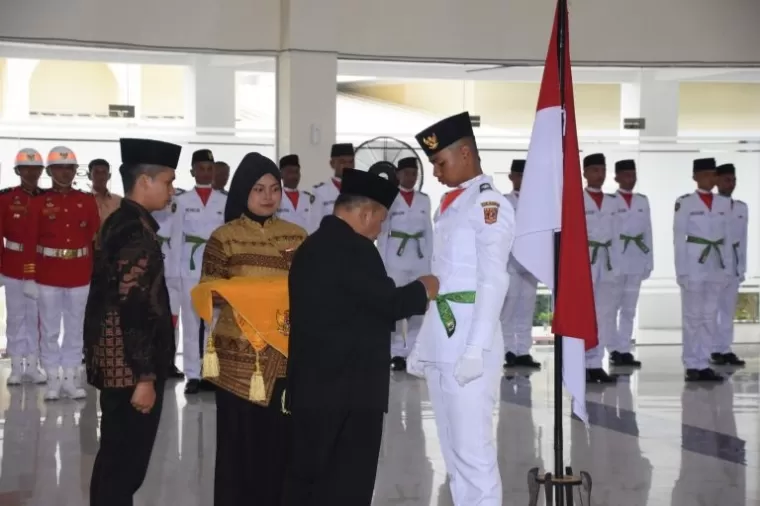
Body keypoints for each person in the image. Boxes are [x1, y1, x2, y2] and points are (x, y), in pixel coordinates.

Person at [285, 168, 436, 505]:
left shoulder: (311, 246)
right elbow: (388, 303)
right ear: (366, 213)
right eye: (380, 221)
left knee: (308, 477)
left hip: (311, 388)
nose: (380, 230)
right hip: (350, 393)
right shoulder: (356, 249)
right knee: (347, 481)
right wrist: (423, 288)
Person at [405, 111, 512, 506]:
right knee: (452, 454)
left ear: (465, 153)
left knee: (474, 454)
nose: (435, 173)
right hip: (444, 340)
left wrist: (474, 349)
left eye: (439, 163)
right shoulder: (451, 204)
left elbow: (494, 279)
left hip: (470, 344)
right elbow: (443, 283)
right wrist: (423, 347)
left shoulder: (488, 203)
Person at [196, 152, 307, 506]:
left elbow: (310, 290)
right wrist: (253, 297)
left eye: (274, 189)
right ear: (243, 190)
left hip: (286, 361)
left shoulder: (298, 236)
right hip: (237, 363)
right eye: (259, 188)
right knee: (238, 451)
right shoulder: (223, 237)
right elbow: (210, 292)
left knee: (281, 448)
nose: (268, 196)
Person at [85, 137, 181, 506]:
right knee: (123, 467)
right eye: (168, 181)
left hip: (117, 364)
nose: (172, 189)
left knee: (114, 463)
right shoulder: (135, 232)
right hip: (129, 369)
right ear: (145, 182)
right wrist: (144, 376)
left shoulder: (122, 221)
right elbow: (135, 307)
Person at [32, 146, 100, 400]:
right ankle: (52, 378)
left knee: (75, 329)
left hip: (79, 273)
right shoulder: (38, 202)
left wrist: (93, 272)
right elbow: (29, 242)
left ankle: (71, 378)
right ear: (49, 171)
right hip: (47, 273)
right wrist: (29, 275)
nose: (65, 172)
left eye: (70, 168)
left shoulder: (86, 200)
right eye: (60, 167)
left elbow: (94, 240)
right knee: (49, 329)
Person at [167, 149, 227, 394]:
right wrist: (173, 273)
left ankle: (210, 373)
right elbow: (174, 236)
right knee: (191, 322)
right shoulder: (181, 201)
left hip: (215, 267)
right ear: (192, 171)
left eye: (209, 168)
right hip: (188, 266)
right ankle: (192, 373)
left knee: (213, 322)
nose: (205, 172)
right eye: (200, 168)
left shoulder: (224, 201)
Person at [673, 157, 731, 382]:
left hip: (716, 264)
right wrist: (682, 271)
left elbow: (727, 238)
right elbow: (678, 238)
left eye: (713, 174)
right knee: (692, 316)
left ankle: (704, 362)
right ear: (695, 177)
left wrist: (728, 268)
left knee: (710, 315)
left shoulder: (724, 204)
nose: (710, 178)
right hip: (694, 262)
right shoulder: (685, 202)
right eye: (705, 174)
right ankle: (691, 364)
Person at [377, 156, 433, 371]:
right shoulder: (390, 197)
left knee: (419, 306)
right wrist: (382, 263)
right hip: (395, 259)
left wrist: (430, 261)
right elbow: (383, 234)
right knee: (397, 307)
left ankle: (415, 352)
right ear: (398, 174)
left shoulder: (424, 200)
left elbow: (428, 231)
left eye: (414, 173)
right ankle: (397, 353)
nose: (411, 177)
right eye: (407, 173)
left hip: (418, 259)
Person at [0, 148, 47, 385]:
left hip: (43, 266)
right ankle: (17, 366)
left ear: (42, 170)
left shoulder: (48, 198)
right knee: (16, 316)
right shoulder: (6, 198)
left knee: (37, 317)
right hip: (13, 265)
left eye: (36, 168)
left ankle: (34, 364)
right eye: (26, 168)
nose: (31, 172)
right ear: (18, 171)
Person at [609, 159, 651, 367]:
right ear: (616, 178)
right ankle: (613, 348)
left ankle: (624, 349)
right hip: (616, 260)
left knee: (629, 309)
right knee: (612, 307)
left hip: (636, 259)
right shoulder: (609, 201)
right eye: (626, 175)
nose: (630, 179)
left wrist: (648, 262)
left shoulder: (642, 201)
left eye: (633, 175)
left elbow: (647, 233)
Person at [500, 159, 540, 369]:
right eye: (520, 176)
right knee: (509, 308)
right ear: (512, 177)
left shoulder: (537, 202)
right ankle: (508, 350)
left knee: (526, 308)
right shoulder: (504, 202)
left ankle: (523, 351)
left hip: (532, 261)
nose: (523, 180)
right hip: (511, 261)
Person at [582, 153, 618, 384]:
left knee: (604, 315)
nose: (599, 175)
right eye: (594, 170)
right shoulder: (575, 199)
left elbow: (617, 236)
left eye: (602, 170)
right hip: (586, 261)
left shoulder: (613, 202)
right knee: (585, 314)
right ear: (585, 173)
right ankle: (582, 362)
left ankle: (596, 363)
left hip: (608, 262)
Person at [712, 162, 747, 366]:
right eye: (726, 179)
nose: (731, 183)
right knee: (711, 311)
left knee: (727, 310)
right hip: (714, 263)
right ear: (716, 181)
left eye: (733, 180)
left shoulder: (741, 207)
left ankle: (725, 349)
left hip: (732, 263)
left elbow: (742, 240)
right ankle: (711, 350)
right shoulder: (710, 206)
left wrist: (741, 266)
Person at [152, 186, 187, 379]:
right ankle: (152, 362)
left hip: (174, 266)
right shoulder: (147, 197)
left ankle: (169, 362)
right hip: (151, 264)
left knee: (172, 318)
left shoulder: (179, 199)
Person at [310, 143, 354, 230]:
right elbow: (314, 226)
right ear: (332, 164)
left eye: (351, 162)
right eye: (343, 162)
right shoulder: (320, 192)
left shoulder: (359, 190)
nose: (348, 166)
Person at [277, 154, 316, 233]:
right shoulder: (275, 198)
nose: (294, 176)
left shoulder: (309, 199)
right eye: (290, 172)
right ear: (281, 174)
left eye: (296, 172)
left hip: (306, 243)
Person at [89, 158, 123, 224]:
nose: (100, 176)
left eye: (104, 172)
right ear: (89, 176)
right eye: (96, 172)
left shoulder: (119, 201)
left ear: (109, 176)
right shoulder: (83, 201)